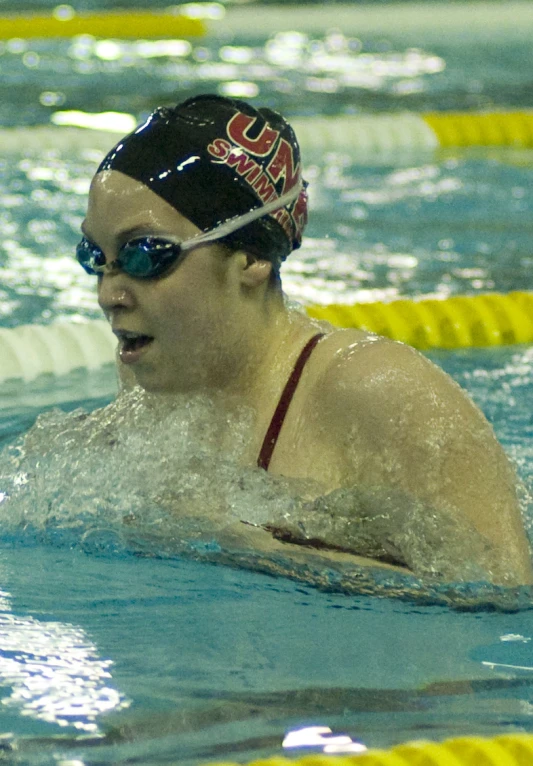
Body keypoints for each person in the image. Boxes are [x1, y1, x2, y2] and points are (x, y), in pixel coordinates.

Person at [78, 94, 532, 586]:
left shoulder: (378, 392)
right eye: (95, 256)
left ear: (250, 257)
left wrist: (247, 546)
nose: (109, 293)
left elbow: (501, 592)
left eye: (146, 254)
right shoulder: (153, 369)